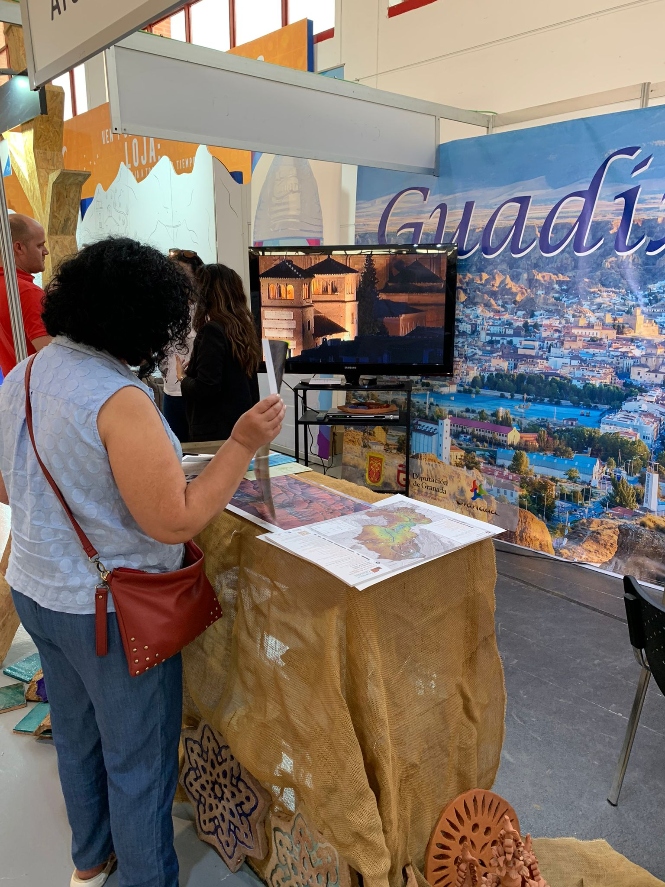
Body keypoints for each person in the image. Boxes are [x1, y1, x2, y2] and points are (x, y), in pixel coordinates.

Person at [0, 237, 284, 887]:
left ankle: (90, 860)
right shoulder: (119, 398)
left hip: (38, 592)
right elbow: (175, 520)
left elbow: (8, 486)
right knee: (139, 762)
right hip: (111, 613)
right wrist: (242, 442)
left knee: (77, 737)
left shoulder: (26, 375)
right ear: (142, 318)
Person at [180, 263, 262, 443]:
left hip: (215, 432)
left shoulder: (212, 331)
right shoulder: (243, 329)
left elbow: (206, 387)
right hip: (240, 425)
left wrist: (183, 378)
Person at [0, 213, 51, 377]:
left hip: (15, 386)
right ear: (19, 248)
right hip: (38, 386)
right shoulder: (27, 292)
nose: (46, 252)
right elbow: (52, 356)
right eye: (40, 245)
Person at [161, 249, 203, 442]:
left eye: (183, 275)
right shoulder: (166, 308)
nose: (178, 281)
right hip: (171, 391)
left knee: (200, 450)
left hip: (195, 392)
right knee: (175, 449)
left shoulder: (204, 311)